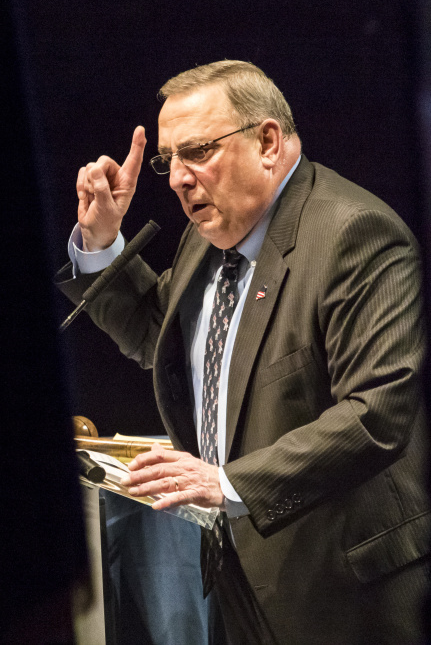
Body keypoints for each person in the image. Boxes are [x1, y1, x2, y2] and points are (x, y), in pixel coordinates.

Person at [57, 60, 429, 644]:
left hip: (343, 593)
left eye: (198, 151)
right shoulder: (211, 234)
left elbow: (374, 415)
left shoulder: (356, 235)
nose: (178, 178)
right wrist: (102, 242)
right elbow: (156, 334)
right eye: (168, 160)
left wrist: (225, 484)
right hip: (240, 580)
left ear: (268, 142)